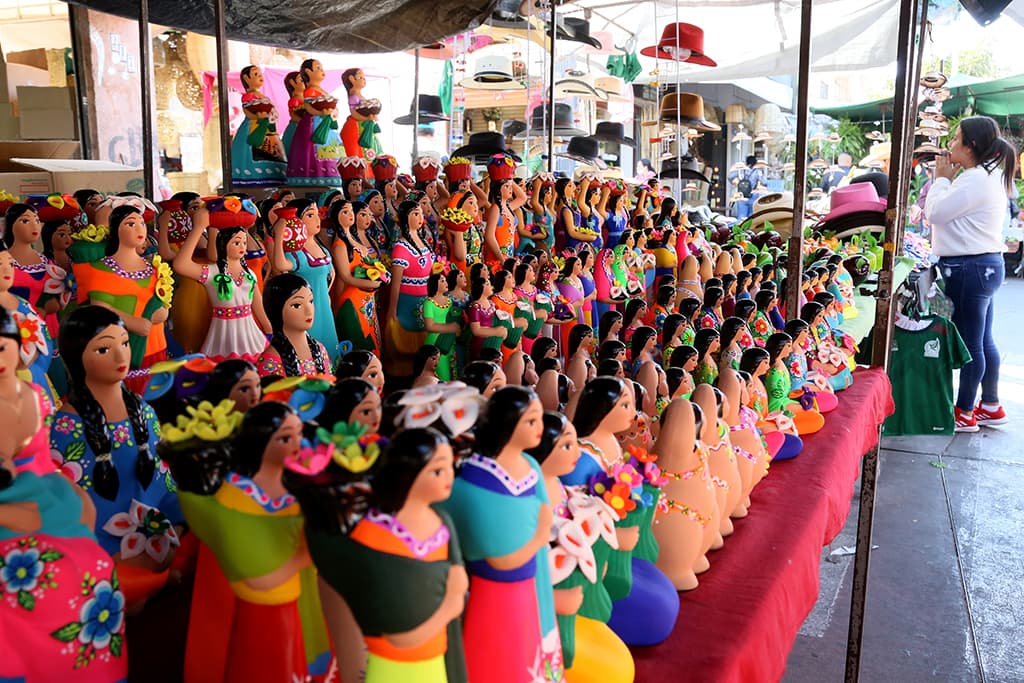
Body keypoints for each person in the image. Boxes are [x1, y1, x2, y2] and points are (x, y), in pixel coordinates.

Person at [925, 116, 1017, 432]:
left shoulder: (974, 179)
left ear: (970, 146)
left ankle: (964, 412)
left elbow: (934, 212)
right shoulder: (983, 177)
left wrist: (940, 179)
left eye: (956, 139)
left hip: (969, 267)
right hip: (984, 265)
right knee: (981, 338)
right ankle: (990, 404)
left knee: (969, 342)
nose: (950, 145)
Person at [727, 156, 764, 220]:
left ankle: (740, 229)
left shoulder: (741, 170)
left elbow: (730, 177)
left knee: (741, 216)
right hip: (753, 195)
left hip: (741, 195)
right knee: (751, 217)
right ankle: (749, 229)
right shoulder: (757, 171)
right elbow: (764, 182)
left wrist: (736, 183)